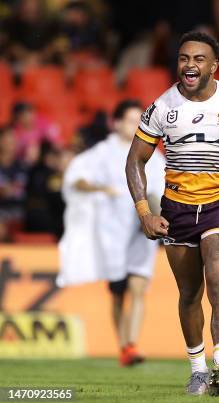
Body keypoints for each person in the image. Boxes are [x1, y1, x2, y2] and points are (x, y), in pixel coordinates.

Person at [125, 31, 219, 396]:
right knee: (189, 293)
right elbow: (135, 160)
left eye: (198, 59)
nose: (189, 65)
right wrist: (145, 211)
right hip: (177, 208)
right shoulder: (162, 107)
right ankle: (197, 369)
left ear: (213, 66)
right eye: (183, 58)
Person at [57, 99, 166, 366]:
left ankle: (131, 344)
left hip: (142, 229)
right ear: (116, 123)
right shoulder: (101, 154)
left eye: (138, 120)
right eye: (130, 120)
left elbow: (161, 188)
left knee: (138, 286)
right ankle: (124, 345)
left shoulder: (152, 153)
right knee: (119, 293)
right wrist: (100, 191)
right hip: (113, 236)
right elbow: (77, 179)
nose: (135, 126)